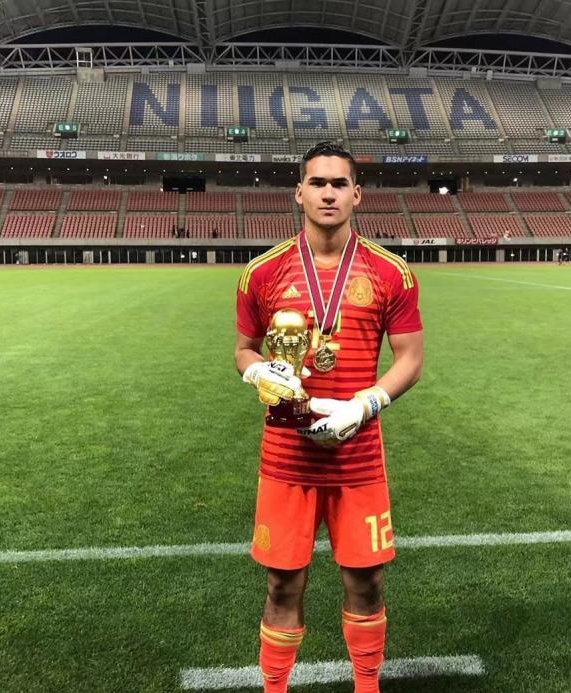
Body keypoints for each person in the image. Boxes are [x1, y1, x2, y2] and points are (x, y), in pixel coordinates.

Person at [234, 141, 423, 693]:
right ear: (299, 192)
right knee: (282, 586)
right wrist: (257, 372)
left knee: (366, 583)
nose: (328, 193)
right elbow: (243, 349)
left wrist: (366, 404)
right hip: (286, 456)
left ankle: (367, 687)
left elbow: (410, 358)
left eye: (339, 183)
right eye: (317, 182)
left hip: (358, 457)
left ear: (357, 194)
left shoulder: (391, 273)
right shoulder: (261, 273)